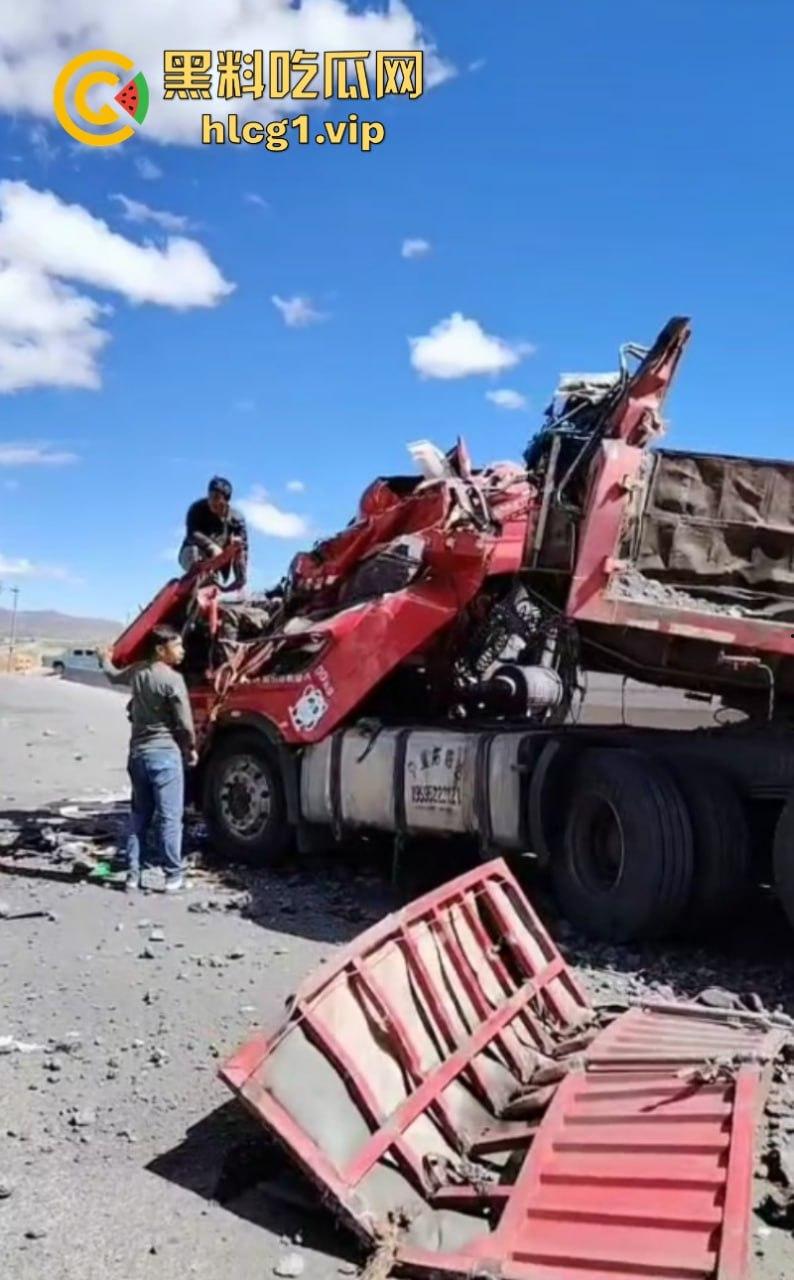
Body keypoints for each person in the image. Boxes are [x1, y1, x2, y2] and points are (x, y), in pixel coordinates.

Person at [100, 625, 197, 893]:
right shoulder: (173, 680)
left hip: (138, 755)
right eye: (176, 646)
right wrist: (191, 748)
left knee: (139, 815)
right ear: (160, 650)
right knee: (170, 817)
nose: (182, 651)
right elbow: (185, 723)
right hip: (165, 755)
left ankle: (132, 876)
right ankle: (173, 877)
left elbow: (111, 675)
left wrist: (103, 657)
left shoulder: (138, 672)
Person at [178, 476, 248, 591]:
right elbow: (192, 533)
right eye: (210, 496)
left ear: (226, 500)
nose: (212, 501)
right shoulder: (197, 509)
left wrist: (241, 576)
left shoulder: (236, 519)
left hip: (219, 562)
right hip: (192, 554)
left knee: (238, 551)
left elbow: (243, 547)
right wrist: (211, 546)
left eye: (216, 498)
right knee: (195, 557)